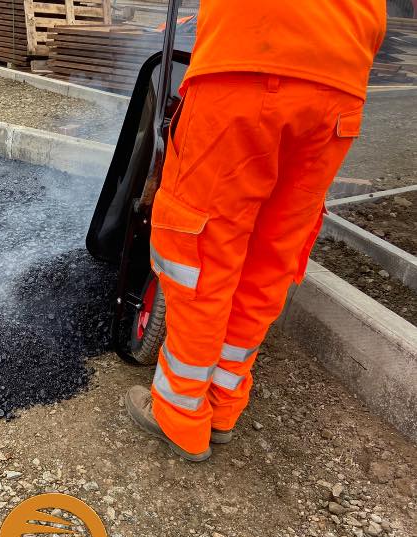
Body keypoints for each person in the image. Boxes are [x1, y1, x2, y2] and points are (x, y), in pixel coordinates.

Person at [125, 0, 387, 461]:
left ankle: (181, 414)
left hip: (246, 68)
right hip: (339, 88)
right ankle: (223, 405)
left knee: (198, 255)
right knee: (270, 257)